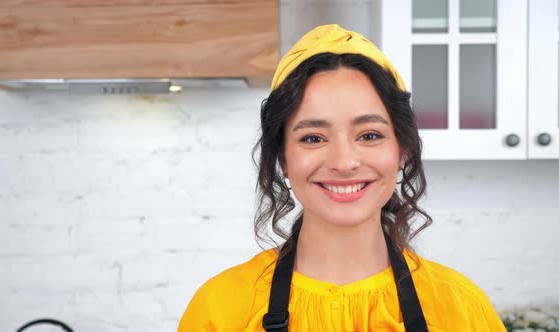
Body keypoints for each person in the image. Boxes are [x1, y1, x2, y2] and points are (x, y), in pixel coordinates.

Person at [178, 24, 506, 332]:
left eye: (369, 135)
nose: (344, 162)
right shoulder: (219, 309)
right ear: (283, 158)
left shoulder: (461, 309)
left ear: (401, 149)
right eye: (313, 138)